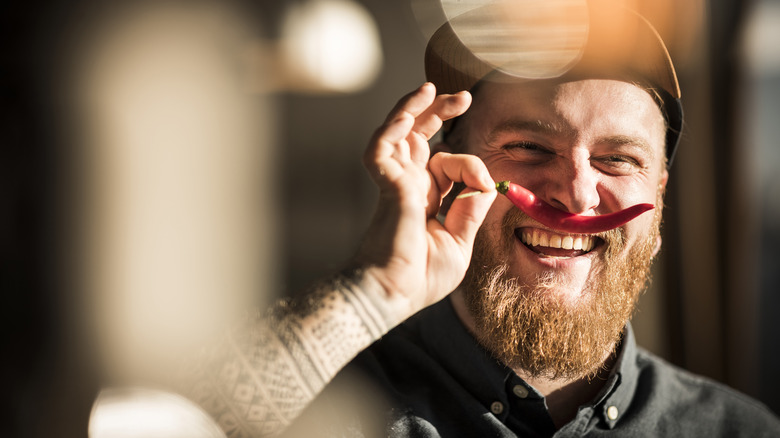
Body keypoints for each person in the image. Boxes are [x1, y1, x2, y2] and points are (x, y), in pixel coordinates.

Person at [180, 1, 780, 437]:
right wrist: (370, 292)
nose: (576, 196)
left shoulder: (738, 430)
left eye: (617, 158)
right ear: (444, 171)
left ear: (661, 193)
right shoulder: (323, 406)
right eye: (527, 148)